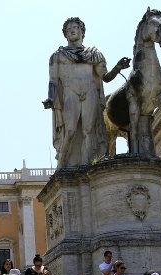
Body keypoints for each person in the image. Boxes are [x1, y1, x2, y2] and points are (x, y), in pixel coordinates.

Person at [42, 17, 129, 167]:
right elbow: (53, 81)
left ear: (82, 31)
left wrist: (117, 68)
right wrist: (50, 98)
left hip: (90, 93)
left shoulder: (94, 54)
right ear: (65, 34)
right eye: (68, 30)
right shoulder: (58, 56)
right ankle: (61, 166)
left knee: (89, 130)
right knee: (69, 131)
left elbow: (105, 77)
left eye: (75, 27)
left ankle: (87, 166)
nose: (72, 31)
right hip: (70, 93)